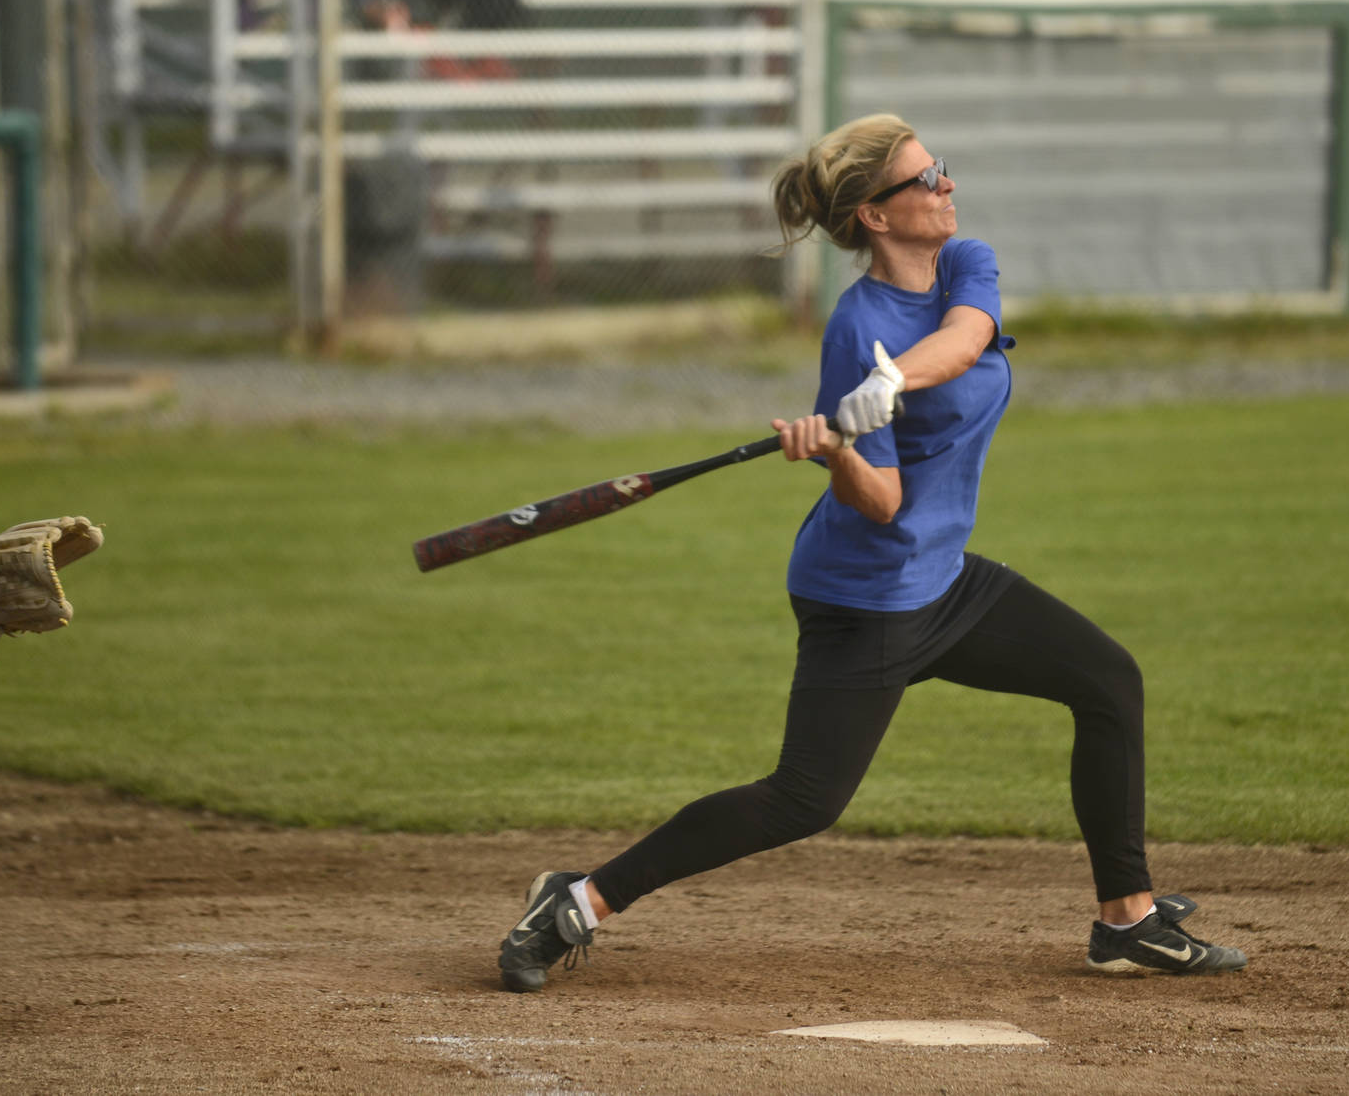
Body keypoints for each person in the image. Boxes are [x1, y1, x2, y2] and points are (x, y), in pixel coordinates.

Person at [494, 114, 1249, 992]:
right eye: (927, 180)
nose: (948, 188)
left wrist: (888, 385)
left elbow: (967, 338)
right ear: (877, 217)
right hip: (868, 597)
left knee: (1108, 680)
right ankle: (577, 900)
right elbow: (882, 503)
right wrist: (837, 449)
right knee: (803, 800)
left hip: (947, 580)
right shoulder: (857, 327)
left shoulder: (966, 264)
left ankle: (1128, 921)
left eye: (943, 171)